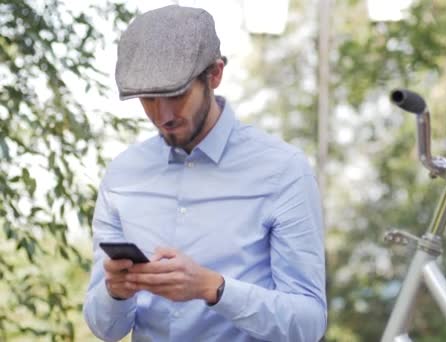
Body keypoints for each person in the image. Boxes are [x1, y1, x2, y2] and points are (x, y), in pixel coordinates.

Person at [83, 5, 327, 342]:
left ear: (214, 75)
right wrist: (116, 292)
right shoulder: (123, 177)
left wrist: (213, 288)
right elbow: (104, 328)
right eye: (149, 99)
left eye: (177, 95)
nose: (163, 115)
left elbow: (309, 324)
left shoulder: (284, 172)